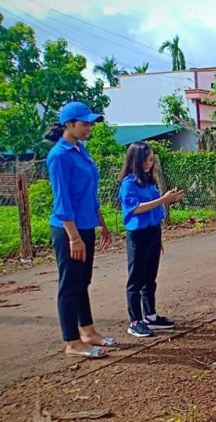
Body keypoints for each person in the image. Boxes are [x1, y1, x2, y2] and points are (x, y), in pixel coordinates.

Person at [45, 102, 114, 359]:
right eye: (84, 124)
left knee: (82, 282)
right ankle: (72, 342)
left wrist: (102, 224)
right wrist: (74, 237)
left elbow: (90, 194)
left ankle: (88, 332)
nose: (89, 128)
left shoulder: (81, 150)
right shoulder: (59, 155)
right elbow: (62, 201)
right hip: (68, 231)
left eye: (90, 124)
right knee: (69, 285)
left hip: (86, 225)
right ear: (69, 124)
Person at [118, 142, 184, 338]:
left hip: (153, 232)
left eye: (151, 159)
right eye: (146, 159)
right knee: (136, 279)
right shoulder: (128, 183)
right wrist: (164, 200)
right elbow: (135, 209)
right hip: (138, 235)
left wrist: (159, 238)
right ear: (135, 160)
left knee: (150, 278)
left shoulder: (149, 181)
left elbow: (154, 210)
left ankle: (151, 316)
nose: (150, 162)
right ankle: (135, 321)